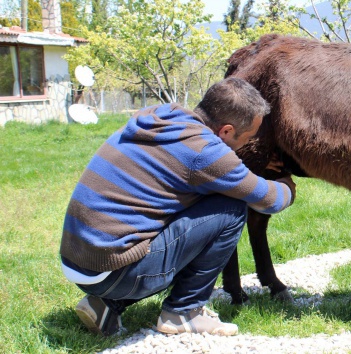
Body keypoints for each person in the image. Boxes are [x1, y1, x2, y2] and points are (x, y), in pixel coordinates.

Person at [60, 78, 295, 337]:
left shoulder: (159, 116)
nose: (248, 146)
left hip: (79, 260)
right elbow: (269, 200)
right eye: (248, 138)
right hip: (112, 269)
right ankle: (184, 312)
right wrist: (286, 182)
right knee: (231, 208)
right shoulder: (205, 152)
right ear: (226, 131)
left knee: (184, 211)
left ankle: (105, 304)